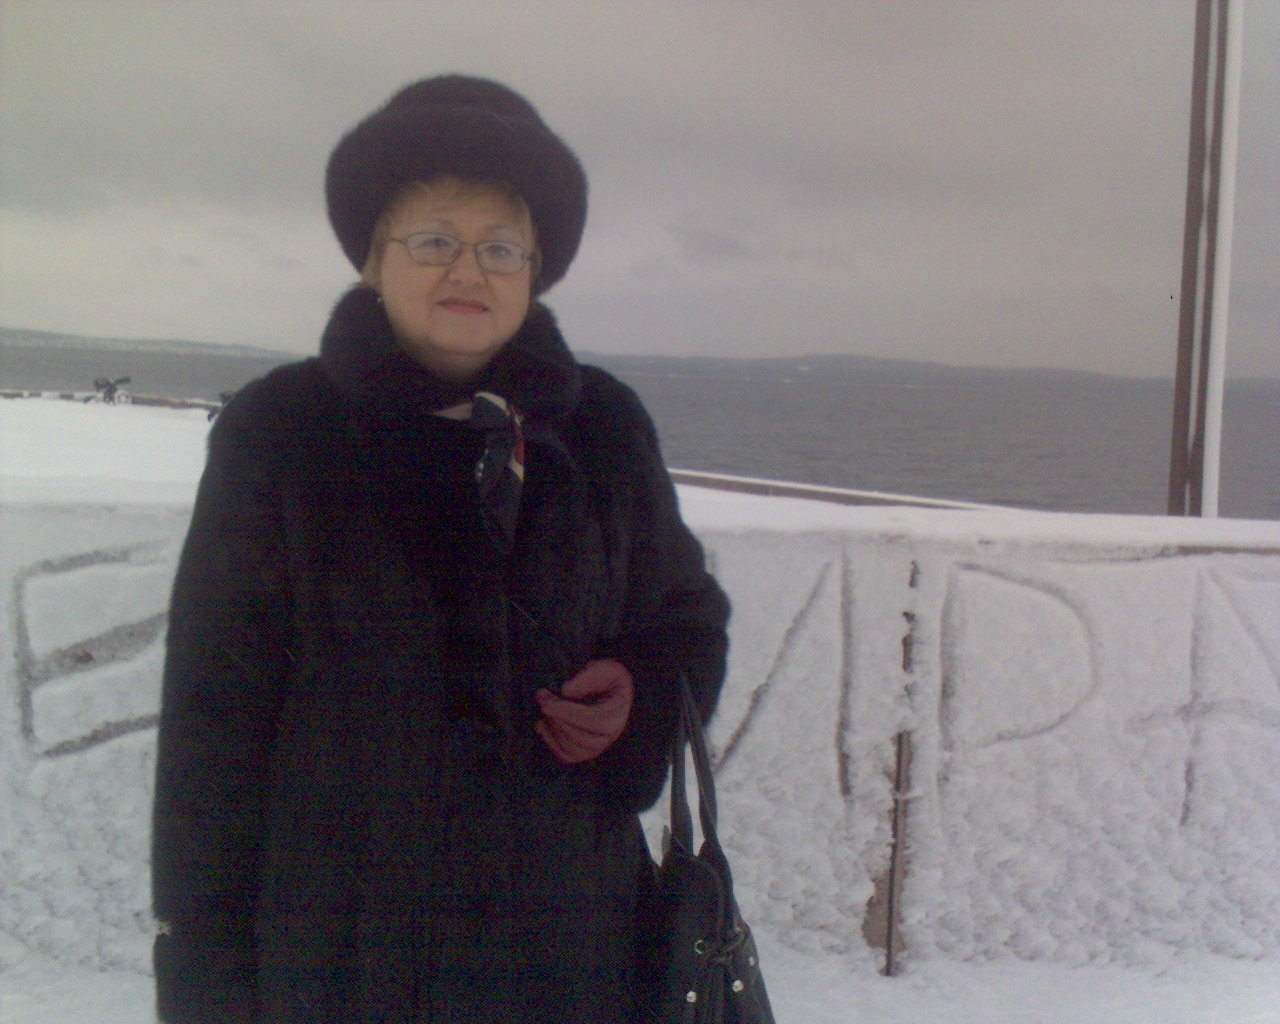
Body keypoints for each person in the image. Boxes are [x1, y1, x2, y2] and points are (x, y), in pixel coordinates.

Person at [150, 75, 730, 1023]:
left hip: (575, 956)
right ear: (374, 261)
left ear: (534, 269)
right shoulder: (283, 433)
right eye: (433, 241)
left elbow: (687, 622)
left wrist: (641, 697)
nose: (469, 270)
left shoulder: (604, 428)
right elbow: (213, 719)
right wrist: (205, 969)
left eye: (500, 246)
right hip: (344, 961)